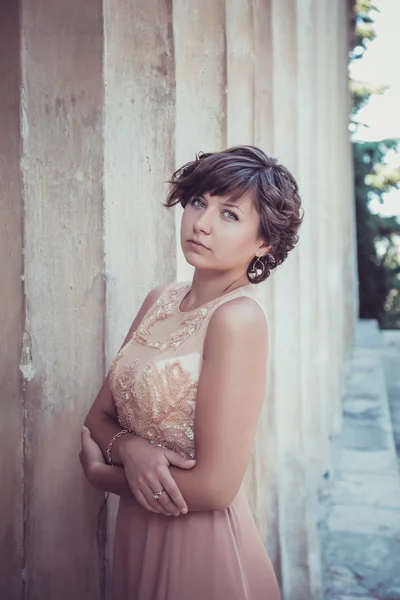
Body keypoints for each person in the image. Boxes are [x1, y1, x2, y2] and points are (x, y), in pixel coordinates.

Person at [79, 145, 303, 600]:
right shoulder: (159, 299)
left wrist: (105, 476)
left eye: (229, 215)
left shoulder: (238, 320)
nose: (201, 222)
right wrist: (131, 447)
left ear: (265, 242)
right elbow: (97, 418)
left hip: (198, 544)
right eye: (199, 202)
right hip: (138, 532)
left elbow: (216, 488)